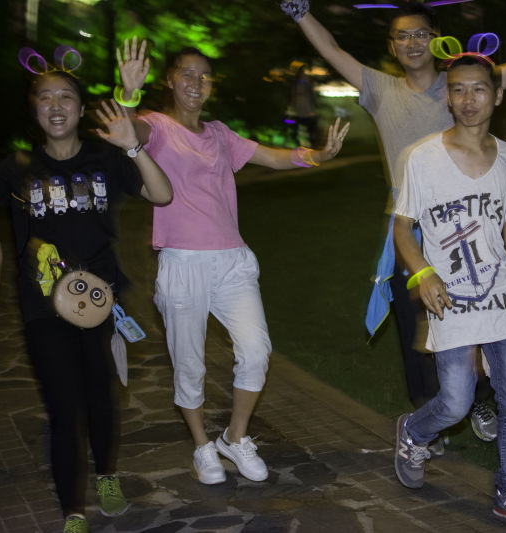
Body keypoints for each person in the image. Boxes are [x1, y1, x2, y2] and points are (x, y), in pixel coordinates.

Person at [280, 0, 506, 447]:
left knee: (482, 311)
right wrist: (300, 12)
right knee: (417, 319)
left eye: (421, 33)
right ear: (392, 46)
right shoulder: (380, 88)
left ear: (436, 39)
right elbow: (332, 51)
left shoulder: (460, 83)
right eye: (402, 36)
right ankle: (428, 412)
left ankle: (479, 399)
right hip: (411, 226)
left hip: (468, 226)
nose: (412, 43)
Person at [115, 39, 349, 485]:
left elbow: (272, 157)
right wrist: (128, 93)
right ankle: (202, 445)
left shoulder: (220, 133)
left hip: (232, 261)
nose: (196, 82)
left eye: (204, 76)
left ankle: (234, 437)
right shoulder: (156, 126)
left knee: (256, 351)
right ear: (170, 80)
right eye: (187, 73)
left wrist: (316, 155)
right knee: (190, 365)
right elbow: (126, 131)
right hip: (183, 262)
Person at [0, 66, 173, 533]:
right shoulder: (16, 168)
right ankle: (72, 511)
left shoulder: (104, 158)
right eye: (45, 97)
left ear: (79, 108)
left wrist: (131, 146)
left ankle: (107, 475)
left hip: (100, 302)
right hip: (41, 307)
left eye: (66, 96)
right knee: (63, 407)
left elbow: (162, 194)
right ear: (34, 109)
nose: (56, 105)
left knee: (101, 397)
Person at [393, 52, 506, 530]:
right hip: (451, 300)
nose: (467, 99)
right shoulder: (422, 158)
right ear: (447, 97)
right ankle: (413, 431)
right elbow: (402, 228)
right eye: (457, 89)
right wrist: (423, 274)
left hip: (502, 297)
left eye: (478, 89)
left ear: (497, 96)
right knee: (456, 403)